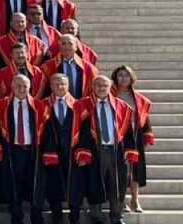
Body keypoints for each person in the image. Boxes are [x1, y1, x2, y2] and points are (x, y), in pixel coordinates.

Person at [71, 76, 138, 224]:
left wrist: (130, 150)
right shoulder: (83, 105)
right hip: (95, 151)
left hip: (116, 152)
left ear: (110, 87)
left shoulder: (122, 106)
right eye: (98, 85)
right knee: (95, 183)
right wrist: (83, 151)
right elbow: (79, 131)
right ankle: (95, 216)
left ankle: (117, 216)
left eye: (105, 85)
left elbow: (127, 131)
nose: (101, 88)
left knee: (117, 185)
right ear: (92, 87)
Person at [0, 74, 45, 224]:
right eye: (18, 85)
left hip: (33, 151)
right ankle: (16, 217)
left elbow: (47, 129)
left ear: (30, 87)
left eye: (25, 86)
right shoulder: (3, 105)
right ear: (12, 87)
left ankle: (36, 217)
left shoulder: (39, 105)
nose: (21, 89)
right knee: (14, 184)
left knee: (35, 185)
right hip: (13, 151)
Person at [111, 65, 153, 214]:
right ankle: (121, 200)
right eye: (120, 75)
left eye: (126, 75)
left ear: (131, 78)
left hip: (135, 136)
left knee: (135, 170)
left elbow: (144, 116)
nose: (123, 78)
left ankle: (135, 200)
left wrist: (147, 134)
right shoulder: (110, 94)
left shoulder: (138, 98)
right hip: (117, 136)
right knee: (121, 171)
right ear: (115, 78)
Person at [39, 74, 76, 224]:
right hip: (51, 151)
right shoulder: (43, 105)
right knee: (53, 182)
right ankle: (57, 215)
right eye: (56, 84)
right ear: (51, 86)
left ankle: (75, 215)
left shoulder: (78, 105)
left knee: (75, 183)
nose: (60, 87)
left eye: (63, 84)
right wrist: (46, 149)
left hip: (72, 150)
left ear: (68, 86)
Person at [40, 34, 98, 100]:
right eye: (63, 43)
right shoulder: (47, 67)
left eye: (70, 43)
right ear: (59, 46)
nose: (67, 47)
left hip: (81, 106)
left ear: (76, 47)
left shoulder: (89, 68)